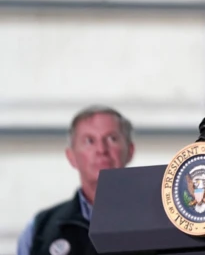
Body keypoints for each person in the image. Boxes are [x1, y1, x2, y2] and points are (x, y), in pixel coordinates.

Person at [17, 105, 135, 255]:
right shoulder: (40, 229)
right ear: (71, 156)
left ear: (130, 151)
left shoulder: (162, 219)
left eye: (112, 138)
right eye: (89, 141)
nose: (101, 149)